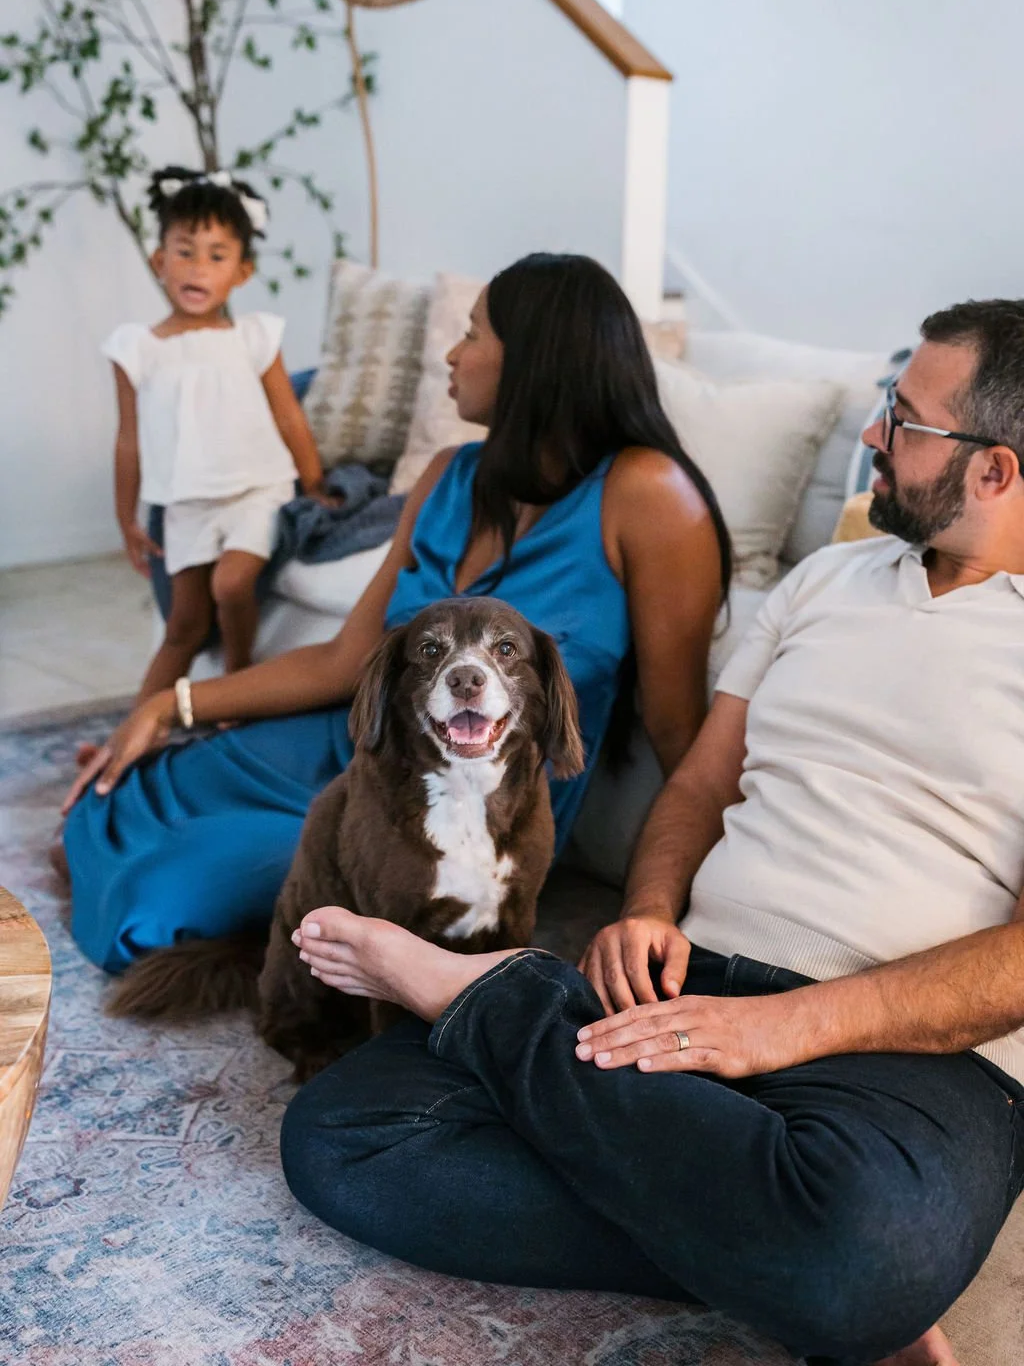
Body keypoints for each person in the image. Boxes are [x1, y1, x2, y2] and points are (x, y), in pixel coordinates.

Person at [277, 299, 1024, 1366]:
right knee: (344, 1138)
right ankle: (789, 1255)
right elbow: (699, 789)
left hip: (910, 1052)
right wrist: (645, 909)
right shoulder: (822, 584)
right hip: (686, 983)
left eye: (902, 420)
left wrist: (780, 1031)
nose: (872, 436)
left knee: (864, 1248)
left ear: (993, 470)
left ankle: (492, 995)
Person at [62, 253, 731, 979]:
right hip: (351, 752)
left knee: (158, 903)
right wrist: (171, 704)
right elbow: (345, 661)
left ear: (532, 360)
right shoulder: (449, 476)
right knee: (124, 797)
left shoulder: (651, 496)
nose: (452, 353)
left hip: (474, 811)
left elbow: (679, 732)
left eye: (472, 334)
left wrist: (658, 907)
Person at [104, 166, 332, 702]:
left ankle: (235, 681)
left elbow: (289, 417)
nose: (197, 267)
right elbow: (128, 440)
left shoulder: (254, 337)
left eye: (216, 255)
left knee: (231, 584)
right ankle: (133, 734)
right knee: (184, 623)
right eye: (184, 252)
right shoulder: (135, 348)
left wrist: (314, 482)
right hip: (185, 504)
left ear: (241, 272)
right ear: (160, 261)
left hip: (257, 489)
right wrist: (125, 517)